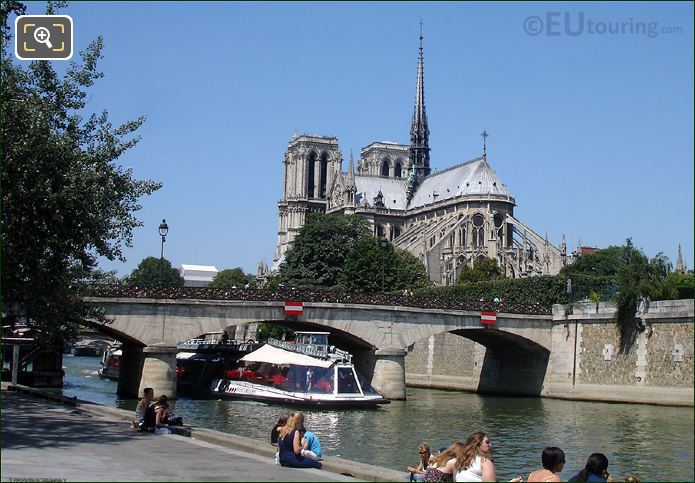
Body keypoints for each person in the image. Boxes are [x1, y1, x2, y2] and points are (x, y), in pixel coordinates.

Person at [454, 432, 522, 482]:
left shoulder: (460, 461)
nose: (490, 444)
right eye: (487, 442)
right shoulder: (484, 461)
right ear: (478, 444)